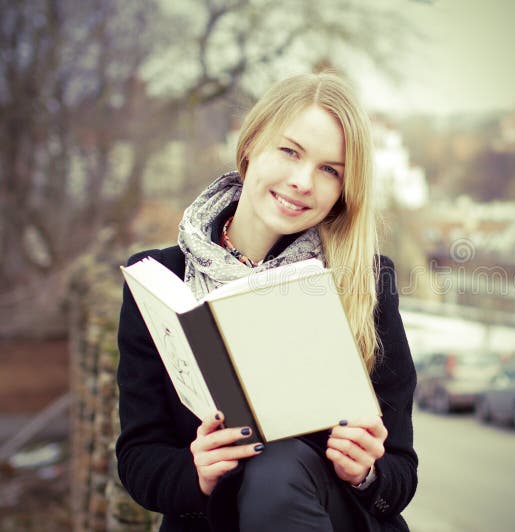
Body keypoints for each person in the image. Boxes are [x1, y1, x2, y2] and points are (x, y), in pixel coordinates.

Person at [116, 71, 418, 532]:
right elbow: (138, 457)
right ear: (252, 142)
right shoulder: (160, 280)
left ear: (343, 189)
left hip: (328, 518)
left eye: (330, 170)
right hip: (212, 522)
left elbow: (401, 471)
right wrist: (194, 472)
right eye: (290, 151)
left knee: (279, 466)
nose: (302, 181)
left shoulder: (367, 282)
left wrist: (367, 473)